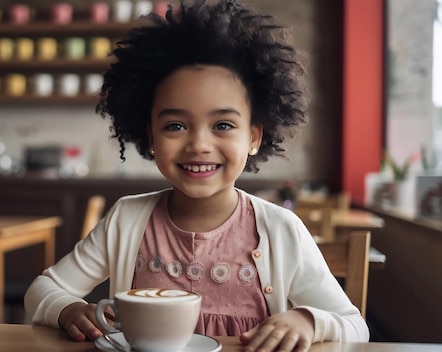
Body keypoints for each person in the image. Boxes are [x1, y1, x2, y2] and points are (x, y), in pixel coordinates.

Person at [25, 0, 370, 351]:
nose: (199, 145)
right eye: (175, 125)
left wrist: (308, 320)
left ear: (253, 137)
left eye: (223, 124)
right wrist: (67, 309)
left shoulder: (281, 230)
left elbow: (355, 326)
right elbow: (42, 290)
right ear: (151, 137)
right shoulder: (126, 220)